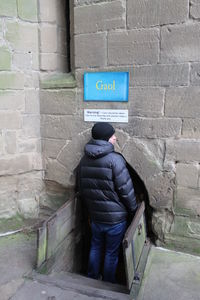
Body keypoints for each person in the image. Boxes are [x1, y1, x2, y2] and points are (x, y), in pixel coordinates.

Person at [77, 122, 137, 283]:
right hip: (116, 219)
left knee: (95, 246)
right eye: (112, 135)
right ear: (106, 138)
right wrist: (133, 209)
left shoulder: (84, 160)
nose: (115, 137)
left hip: (96, 216)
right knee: (111, 252)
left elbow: (82, 189)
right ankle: (109, 282)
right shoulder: (115, 160)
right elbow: (126, 189)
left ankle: (92, 277)